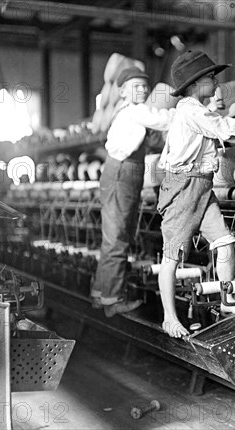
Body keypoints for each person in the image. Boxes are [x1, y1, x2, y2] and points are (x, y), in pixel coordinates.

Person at [157, 50, 235, 338]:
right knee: (172, 256)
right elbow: (224, 129)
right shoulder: (190, 110)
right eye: (210, 78)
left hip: (201, 186)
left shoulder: (198, 111)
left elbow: (219, 128)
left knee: (225, 243)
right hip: (183, 188)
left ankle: (227, 303)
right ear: (193, 85)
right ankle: (169, 317)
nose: (216, 82)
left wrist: (231, 116)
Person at [91, 66, 175, 318]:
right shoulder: (136, 111)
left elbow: (153, 139)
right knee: (117, 238)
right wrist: (191, 110)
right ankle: (113, 300)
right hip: (122, 174)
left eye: (144, 86)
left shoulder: (127, 113)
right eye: (135, 86)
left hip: (121, 173)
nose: (142, 90)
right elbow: (165, 119)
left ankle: (102, 293)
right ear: (122, 91)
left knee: (115, 237)